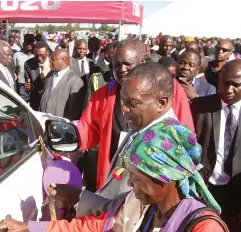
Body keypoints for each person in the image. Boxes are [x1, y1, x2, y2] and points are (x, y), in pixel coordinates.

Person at [0, 105, 241, 232]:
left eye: (135, 179)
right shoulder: (140, 206)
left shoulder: (203, 231)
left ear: (164, 177)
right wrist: (27, 228)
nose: (131, 187)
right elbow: (93, 230)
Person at [77, 41, 194, 192]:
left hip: (154, 179)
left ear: (142, 61)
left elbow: (185, 135)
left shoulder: (169, 88)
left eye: (127, 64)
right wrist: (67, 136)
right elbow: (88, 129)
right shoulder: (103, 95)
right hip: (114, 178)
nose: (122, 70)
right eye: (116, 65)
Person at [191, 59, 241, 232]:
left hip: (236, 192)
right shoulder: (201, 107)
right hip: (205, 189)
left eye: (236, 85)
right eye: (224, 83)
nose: (228, 90)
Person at [39, 49, 85, 121]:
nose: (50, 62)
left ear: (63, 60)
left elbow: (74, 112)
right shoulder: (50, 75)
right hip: (43, 122)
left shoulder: (75, 81)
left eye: (53, 59)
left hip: (59, 126)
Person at [24, 41, 51, 110]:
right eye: (36, 55)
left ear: (48, 52)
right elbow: (28, 84)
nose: (39, 58)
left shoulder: (53, 62)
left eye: (42, 55)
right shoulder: (28, 64)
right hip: (35, 103)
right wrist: (28, 87)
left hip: (51, 102)